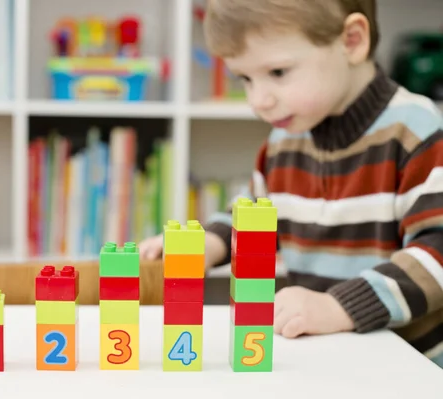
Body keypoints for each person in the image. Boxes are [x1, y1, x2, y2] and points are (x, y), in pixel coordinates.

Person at [139, 0, 443, 367]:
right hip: (322, 356)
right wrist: (207, 242)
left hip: (409, 364)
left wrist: (337, 306)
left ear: (351, 40)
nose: (259, 100)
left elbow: (435, 253)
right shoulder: (283, 142)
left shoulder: (415, 129)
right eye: (245, 79)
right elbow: (252, 216)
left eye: (278, 72)